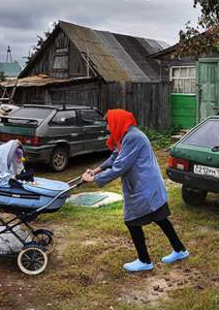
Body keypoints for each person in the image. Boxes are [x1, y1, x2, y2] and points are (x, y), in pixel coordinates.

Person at [81, 109, 189, 272]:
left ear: (117, 122)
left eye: (109, 124)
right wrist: (96, 170)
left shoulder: (133, 137)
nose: (108, 129)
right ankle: (180, 250)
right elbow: (115, 156)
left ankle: (144, 261)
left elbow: (120, 166)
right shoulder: (126, 135)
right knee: (160, 217)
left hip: (144, 186)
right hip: (147, 185)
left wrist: (95, 179)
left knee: (132, 221)